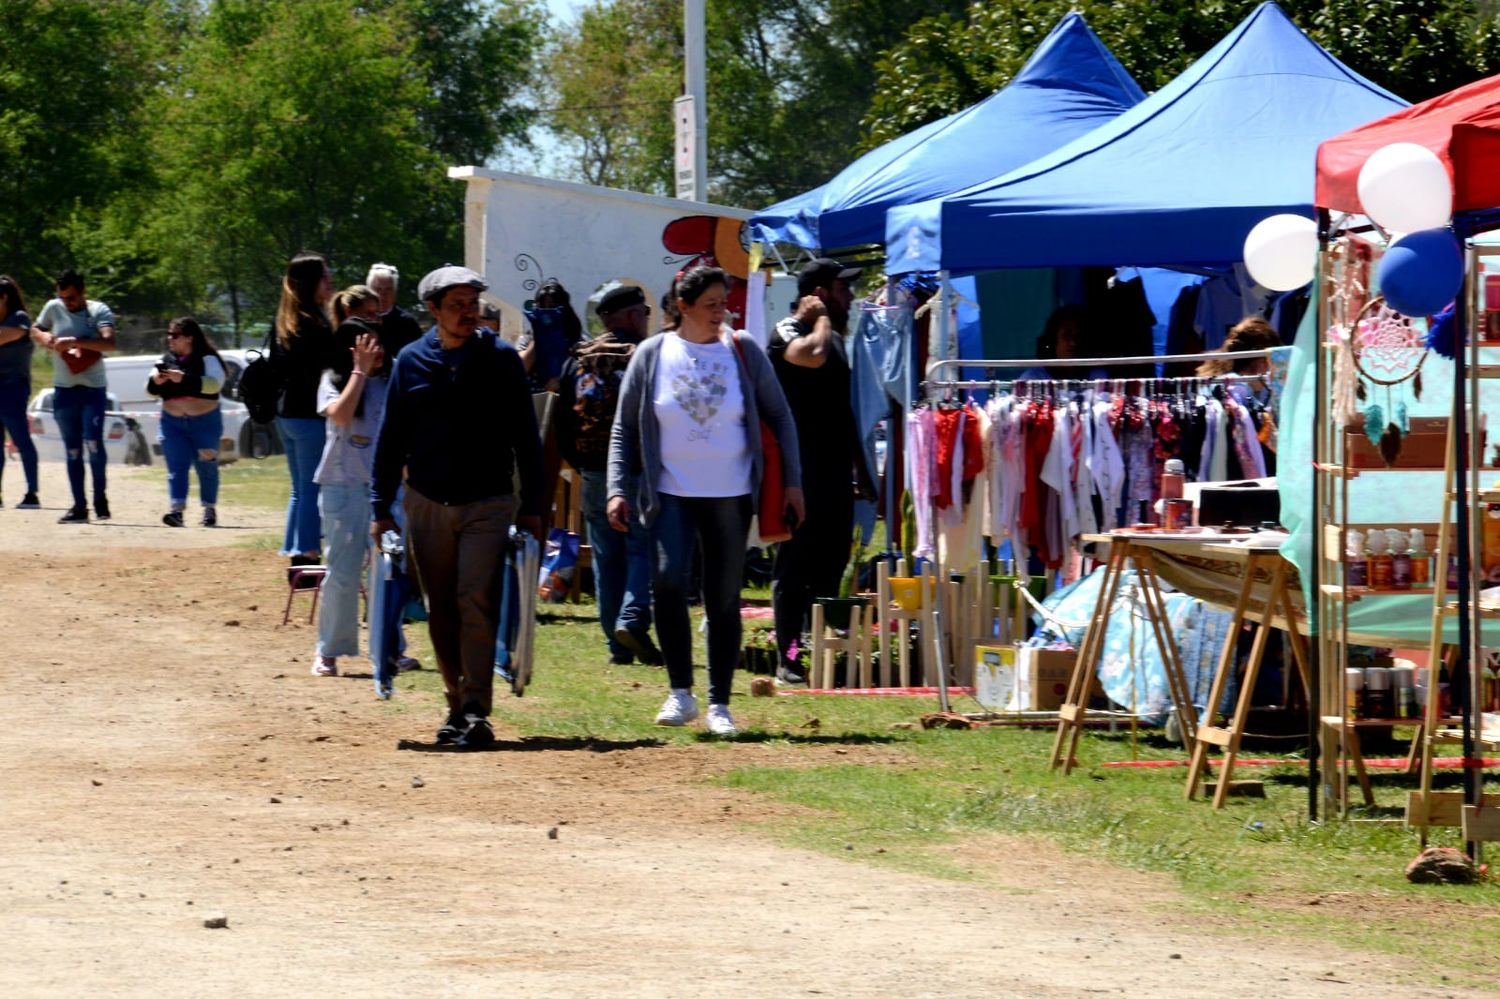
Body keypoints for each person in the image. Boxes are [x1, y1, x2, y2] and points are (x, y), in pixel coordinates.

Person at [607, 266, 804, 736]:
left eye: (725, 303)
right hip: (670, 491)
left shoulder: (743, 350)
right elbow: (623, 429)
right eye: (713, 304)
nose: (723, 312)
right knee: (669, 582)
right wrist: (617, 487)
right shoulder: (653, 354)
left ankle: (720, 703)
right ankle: (680, 692)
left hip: (731, 493)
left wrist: (793, 482)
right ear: (684, 306)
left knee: (723, 597)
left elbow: (780, 415)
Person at [372, 265, 543, 749]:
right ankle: (454, 704)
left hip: (488, 501)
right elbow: (390, 440)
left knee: (475, 601)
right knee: (439, 607)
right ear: (433, 310)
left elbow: (526, 440)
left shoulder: (502, 360)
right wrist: (379, 508)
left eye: (473, 304)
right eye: (457, 305)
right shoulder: (410, 361)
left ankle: (476, 708)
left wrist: (533, 506)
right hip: (426, 502)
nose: (469, 313)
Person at [767, 257, 869, 684]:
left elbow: (845, 411)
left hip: (833, 474)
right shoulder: (788, 332)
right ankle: (788, 656)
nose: (851, 298)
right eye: (842, 291)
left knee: (831, 567)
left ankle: (819, 656)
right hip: (798, 475)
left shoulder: (836, 341)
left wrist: (862, 468)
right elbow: (811, 355)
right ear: (820, 294)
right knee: (795, 570)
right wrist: (822, 320)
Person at [311, 285, 417, 678]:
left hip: (386, 490)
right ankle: (330, 651)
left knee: (388, 571)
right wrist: (359, 370)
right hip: (342, 487)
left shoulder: (392, 381)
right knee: (342, 572)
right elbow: (339, 415)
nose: (375, 348)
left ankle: (389, 648)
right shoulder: (334, 378)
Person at [556, 283, 660, 666]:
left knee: (606, 558)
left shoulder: (578, 359)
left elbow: (563, 420)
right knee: (641, 549)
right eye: (645, 313)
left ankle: (617, 645)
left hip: (594, 474)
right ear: (633, 316)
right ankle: (631, 620)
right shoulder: (643, 356)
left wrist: (581, 464)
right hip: (635, 472)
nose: (647, 321)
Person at [270, 252, 337, 577]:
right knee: (310, 488)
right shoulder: (315, 323)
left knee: (300, 489)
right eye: (326, 276)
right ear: (313, 281)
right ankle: (307, 557)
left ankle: (298, 554)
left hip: (287, 414)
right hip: (309, 415)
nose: (331, 281)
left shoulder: (286, 319)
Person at [32, 269, 117, 523]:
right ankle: (79, 506)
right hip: (64, 389)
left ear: (82, 293)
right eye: (62, 297)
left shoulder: (98, 311)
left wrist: (73, 342)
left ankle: (100, 497)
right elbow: (35, 329)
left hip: (92, 389)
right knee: (72, 449)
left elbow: (109, 343)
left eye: (71, 298)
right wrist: (47, 337)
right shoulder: (53, 307)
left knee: (93, 443)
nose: (66, 303)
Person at [147, 317, 226, 527]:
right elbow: (150, 391)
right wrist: (156, 381)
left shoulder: (207, 359)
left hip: (205, 422)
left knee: (206, 465)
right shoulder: (165, 360)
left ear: (190, 338)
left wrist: (184, 378)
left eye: (175, 335)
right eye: (169, 334)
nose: (169, 339)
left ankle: (209, 508)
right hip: (172, 423)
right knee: (177, 466)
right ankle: (177, 511)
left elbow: (215, 385)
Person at [0, 275, 40, 510]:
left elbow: (4, 337)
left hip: (13, 387)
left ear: (4, 297)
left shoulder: (19, 319)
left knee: (21, 440)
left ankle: (32, 492)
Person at [517, 277, 585, 391]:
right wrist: (539, 338)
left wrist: (561, 381)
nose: (547, 313)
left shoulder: (576, 341)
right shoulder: (526, 340)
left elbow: (582, 372)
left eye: (552, 307)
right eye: (543, 308)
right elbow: (519, 370)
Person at [1017, 306, 1109, 382]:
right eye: (1067, 335)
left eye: (1078, 336)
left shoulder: (1097, 377)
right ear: (1053, 341)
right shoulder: (1033, 378)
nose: (1073, 343)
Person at [365, 262, 424, 360]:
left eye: (388, 289)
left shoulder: (407, 323)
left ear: (395, 292)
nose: (383, 295)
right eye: (378, 289)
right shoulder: (360, 320)